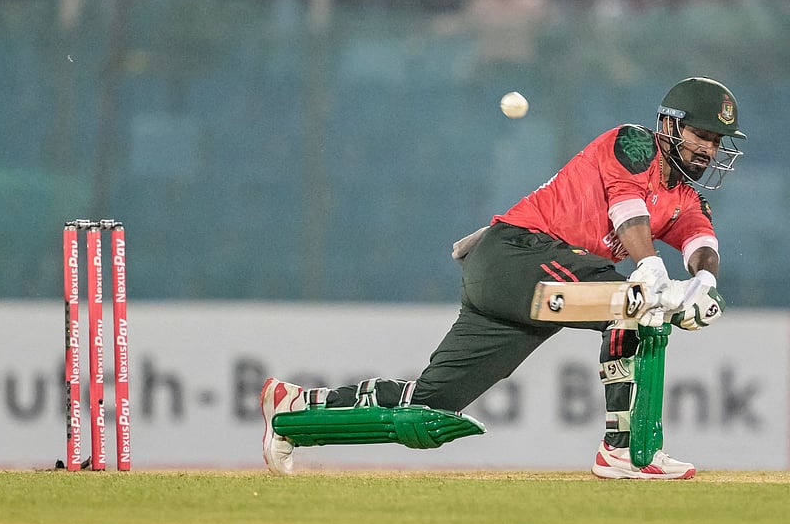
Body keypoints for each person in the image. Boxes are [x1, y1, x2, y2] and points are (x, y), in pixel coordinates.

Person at [262, 77, 741, 480]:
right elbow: (626, 207)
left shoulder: (686, 199)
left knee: (431, 403)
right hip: (518, 254)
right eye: (701, 134)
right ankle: (627, 451)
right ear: (669, 125)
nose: (708, 149)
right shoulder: (633, 143)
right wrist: (651, 268)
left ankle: (294, 412)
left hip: (513, 275)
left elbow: (702, 246)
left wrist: (704, 285)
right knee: (634, 303)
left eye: (717, 141)